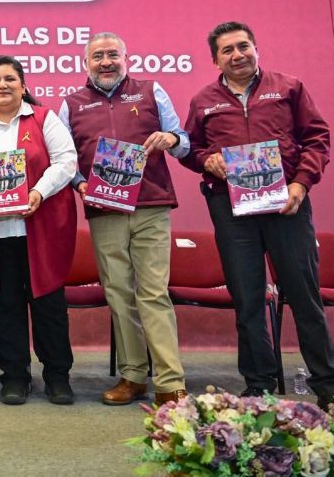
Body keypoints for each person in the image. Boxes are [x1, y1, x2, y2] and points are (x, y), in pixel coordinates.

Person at [180, 21, 334, 410]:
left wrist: (301, 184)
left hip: (287, 203)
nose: (237, 55)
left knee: (304, 298)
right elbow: (191, 149)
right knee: (248, 299)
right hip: (231, 208)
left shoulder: (289, 87)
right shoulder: (203, 100)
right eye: (227, 50)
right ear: (215, 60)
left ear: (256, 48)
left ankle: (327, 386)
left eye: (243, 47)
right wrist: (210, 160)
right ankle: (259, 385)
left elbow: (317, 139)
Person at [58, 32, 189, 407]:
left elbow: (184, 141)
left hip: (151, 205)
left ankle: (171, 382)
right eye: (97, 56)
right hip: (104, 209)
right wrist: (80, 184)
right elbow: (66, 160)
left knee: (153, 293)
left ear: (125, 57)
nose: (106, 62)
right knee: (118, 294)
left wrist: (169, 139)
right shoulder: (71, 104)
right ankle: (133, 376)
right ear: (86, 63)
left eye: (112, 54)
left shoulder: (151, 91)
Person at [0, 56, 78, 405]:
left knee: (48, 302)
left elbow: (66, 161)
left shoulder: (44, 118)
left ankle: (57, 376)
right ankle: (15, 377)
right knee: (4, 305)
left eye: (9, 79)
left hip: (41, 228)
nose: (2, 85)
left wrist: (38, 191)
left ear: (23, 85)